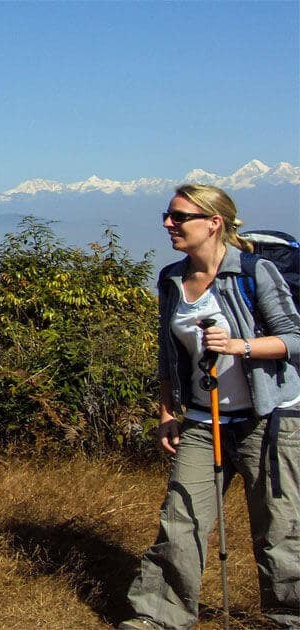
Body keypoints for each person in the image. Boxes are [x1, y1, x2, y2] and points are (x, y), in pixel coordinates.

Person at [119, 184, 300, 629]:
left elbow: (295, 339)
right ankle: (157, 616)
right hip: (203, 420)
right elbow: (168, 355)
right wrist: (166, 412)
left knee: (280, 527)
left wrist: (241, 346)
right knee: (181, 519)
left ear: (213, 222)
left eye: (179, 217)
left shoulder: (252, 274)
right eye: (169, 215)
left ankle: (288, 616)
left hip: (270, 418)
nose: (168, 224)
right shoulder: (173, 279)